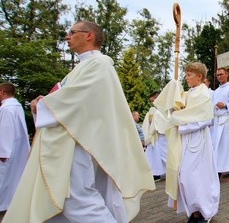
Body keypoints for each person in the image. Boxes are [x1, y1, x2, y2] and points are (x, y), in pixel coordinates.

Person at [3, 21, 155, 222]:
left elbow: (77, 99)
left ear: (89, 35)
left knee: (77, 199)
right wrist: (45, 102)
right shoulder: (83, 66)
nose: (67, 36)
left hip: (78, 140)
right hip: (72, 138)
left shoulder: (99, 64)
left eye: (72, 32)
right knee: (63, 201)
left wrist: (43, 104)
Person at [164, 62, 219, 223]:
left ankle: (202, 212)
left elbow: (204, 119)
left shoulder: (204, 94)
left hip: (198, 140)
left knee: (196, 177)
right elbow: (179, 110)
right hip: (186, 141)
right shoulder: (188, 94)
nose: (186, 78)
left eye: (189, 75)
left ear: (199, 76)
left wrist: (180, 124)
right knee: (184, 177)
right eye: (186, 74)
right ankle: (194, 212)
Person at [0, 82, 30, 212]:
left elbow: (6, 130)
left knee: (5, 180)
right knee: (13, 179)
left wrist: (3, 152)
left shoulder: (6, 109)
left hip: (6, 151)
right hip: (16, 149)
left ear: (2, 92)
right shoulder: (16, 106)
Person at [142, 92, 167, 182]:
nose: (152, 103)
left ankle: (173, 171)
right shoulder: (152, 111)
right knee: (153, 156)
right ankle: (155, 173)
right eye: (151, 101)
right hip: (154, 138)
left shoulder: (164, 109)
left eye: (153, 100)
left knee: (165, 154)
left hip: (162, 137)